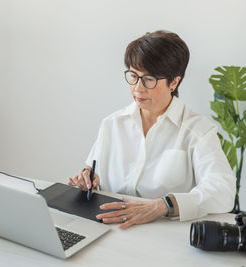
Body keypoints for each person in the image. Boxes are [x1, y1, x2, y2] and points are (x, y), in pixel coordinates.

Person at [68, 30, 236, 229]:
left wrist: (162, 205)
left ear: (174, 82)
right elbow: (92, 170)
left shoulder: (198, 131)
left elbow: (223, 192)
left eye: (149, 79)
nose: (138, 88)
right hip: (107, 227)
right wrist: (87, 177)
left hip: (161, 234)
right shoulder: (112, 124)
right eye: (133, 76)